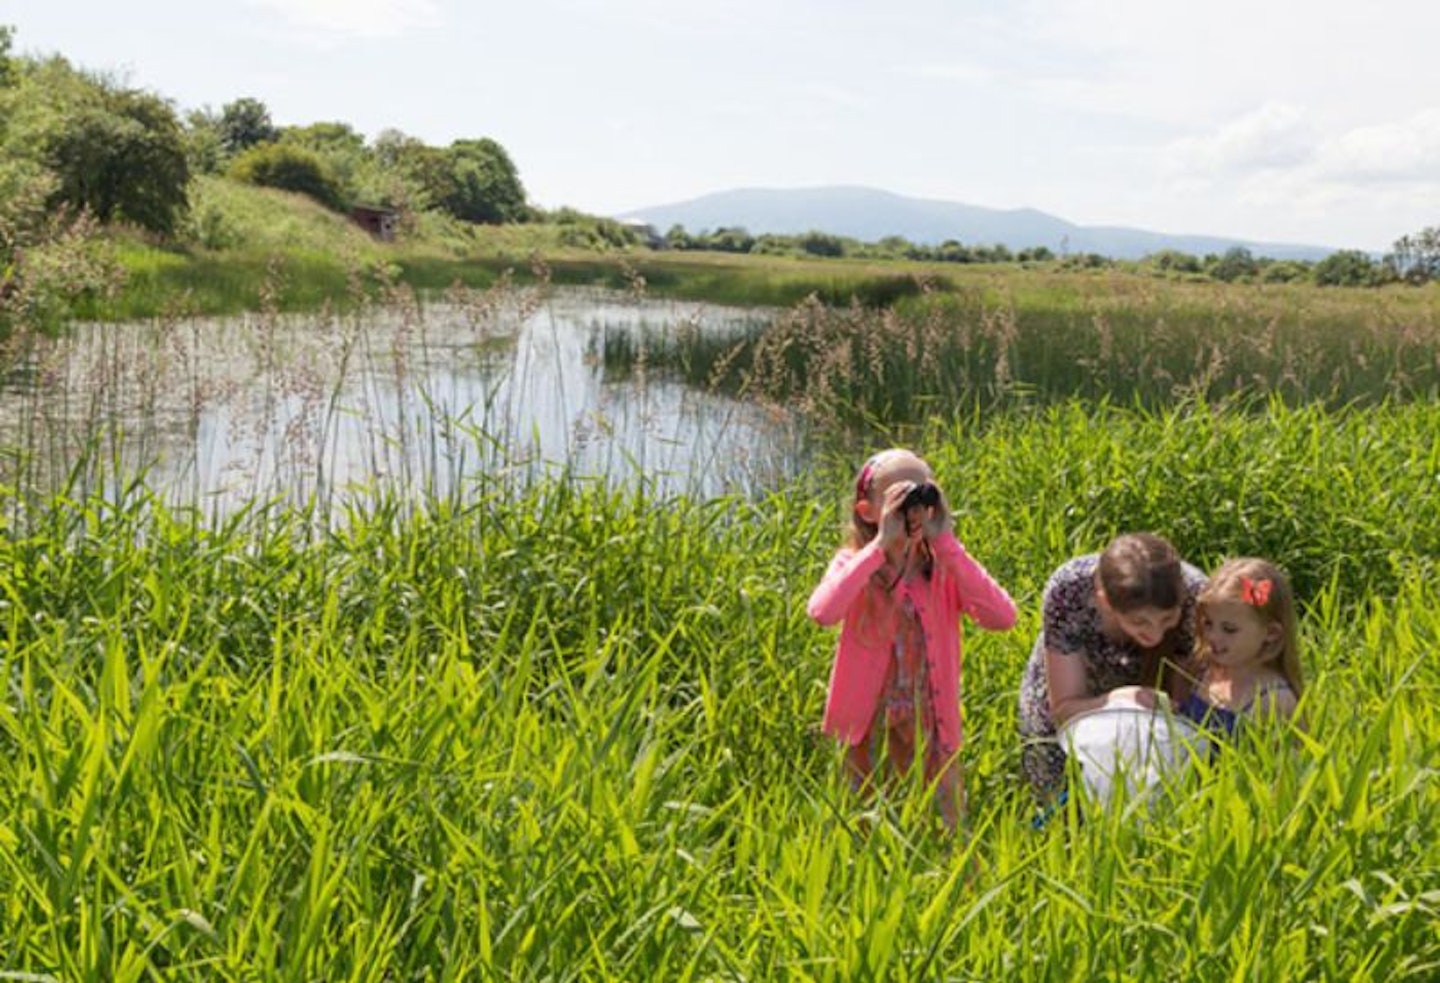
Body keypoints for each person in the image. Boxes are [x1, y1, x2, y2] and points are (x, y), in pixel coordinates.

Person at [808, 448, 1018, 831]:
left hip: (931, 723)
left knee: (946, 829)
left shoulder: (942, 569)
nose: (913, 508)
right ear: (867, 511)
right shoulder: (853, 563)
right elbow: (823, 611)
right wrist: (879, 548)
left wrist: (947, 543)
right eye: (898, 497)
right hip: (867, 727)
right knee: (864, 827)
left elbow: (1003, 617)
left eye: (922, 494)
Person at [1017, 532, 1208, 805]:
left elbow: (1183, 706)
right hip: (1078, 692)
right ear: (1105, 601)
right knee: (1062, 801)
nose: (1155, 633)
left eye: (1167, 619)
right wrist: (1115, 701)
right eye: (1139, 622)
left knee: (1158, 792)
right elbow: (1063, 710)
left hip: (1152, 696)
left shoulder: (1197, 596)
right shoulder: (1070, 590)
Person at [1176, 557, 1303, 742]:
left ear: (1271, 633)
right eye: (1208, 623)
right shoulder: (1203, 668)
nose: (1212, 636)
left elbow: (1284, 767)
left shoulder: (1273, 699)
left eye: (1229, 629)